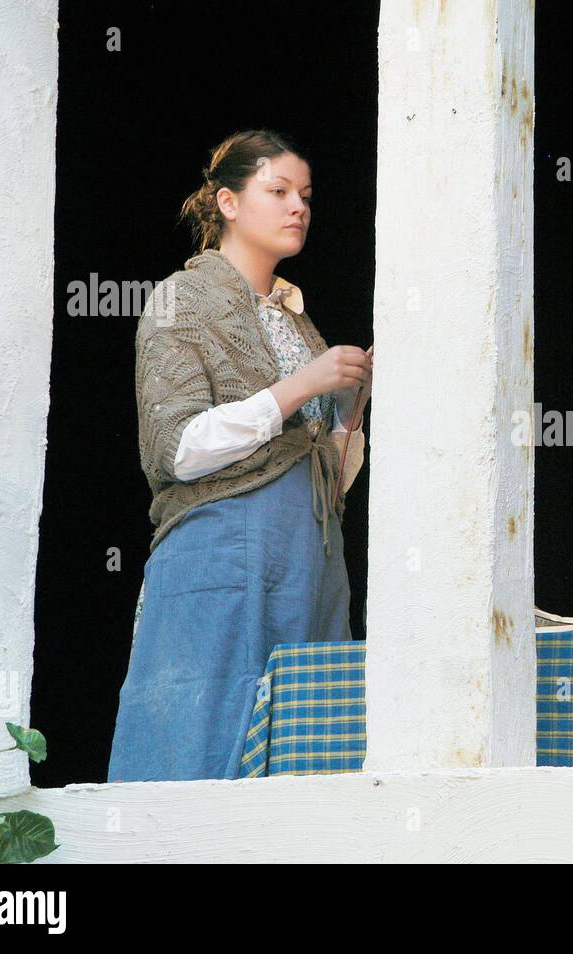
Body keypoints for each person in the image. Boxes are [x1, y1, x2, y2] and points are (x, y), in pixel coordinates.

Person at [108, 129, 373, 782]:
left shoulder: (295, 322)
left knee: (307, 749)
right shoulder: (182, 299)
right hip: (222, 549)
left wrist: (351, 410)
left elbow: (327, 479)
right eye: (278, 191)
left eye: (306, 196)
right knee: (202, 737)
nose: (298, 208)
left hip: (310, 560)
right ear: (227, 202)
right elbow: (177, 448)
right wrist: (301, 387)